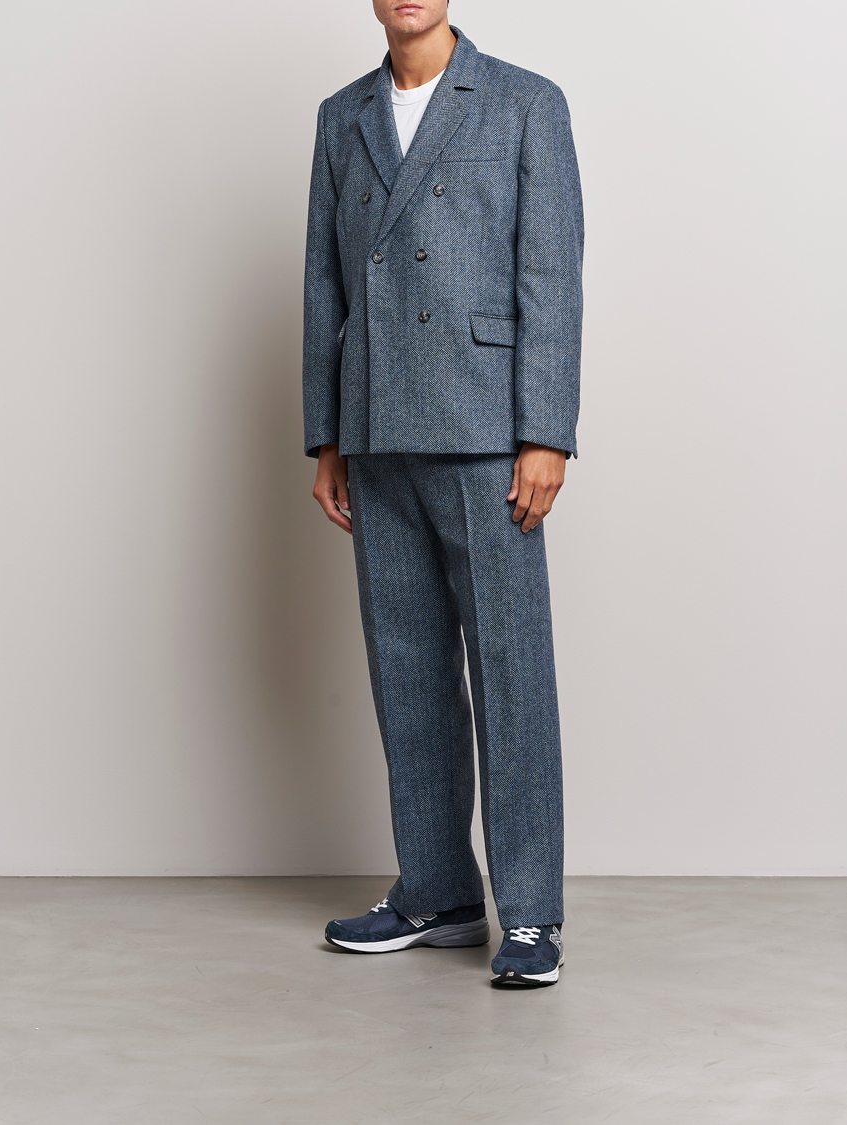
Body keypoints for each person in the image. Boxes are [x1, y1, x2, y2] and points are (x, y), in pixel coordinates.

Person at [302, 0, 583, 987]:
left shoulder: (524, 103)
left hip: (484, 425)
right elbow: (324, 282)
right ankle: (438, 891)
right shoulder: (342, 116)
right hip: (377, 422)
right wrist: (327, 435)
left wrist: (545, 431)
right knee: (406, 669)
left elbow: (551, 272)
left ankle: (532, 913)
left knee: (511, 675)